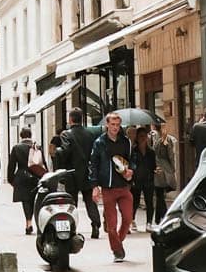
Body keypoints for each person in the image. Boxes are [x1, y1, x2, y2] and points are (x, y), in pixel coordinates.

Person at [89, 111, 136, 262]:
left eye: (117, 125)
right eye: (112, 124)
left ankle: (118, 243)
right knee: (112, 223)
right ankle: (117, 251)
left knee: (128, 218)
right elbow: (93, 165)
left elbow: (132, 159)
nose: (115, 127)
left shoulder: (126, 142)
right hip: (108, 188)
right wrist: (95, 186)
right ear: (107, 125)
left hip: (124, 186)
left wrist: (131, 170)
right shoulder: (99, 143)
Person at [52, 110, 101, 239]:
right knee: (90, 202)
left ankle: (72, 227)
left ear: (70, 119)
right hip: (87, 173)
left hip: (72, 173)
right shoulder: (90, 133)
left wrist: (56, 151)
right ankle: (95, 224)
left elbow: (65, 151)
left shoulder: (66, 134)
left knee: (72, 203)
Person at [7, 125, 40, 236]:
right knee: (35, 200)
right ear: (30, 135)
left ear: (21, 136)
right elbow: (42, 162)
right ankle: (39, 224)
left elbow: (11, 165)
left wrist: (11, 179)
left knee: (26, 201)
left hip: (22, 177)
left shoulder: (16, 148)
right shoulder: (36, 147)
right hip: (36, 176)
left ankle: (28, 224)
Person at [153, 115, 178, 222]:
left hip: (157, 167)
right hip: (164, 167)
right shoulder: (167, 139)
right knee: (160, 194)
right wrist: (173, 168)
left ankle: (160, 217)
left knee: (159, 193)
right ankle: (161, 217)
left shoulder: (153, 137)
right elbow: (171, 156)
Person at [132, 125, 157, 230]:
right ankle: (132, 220)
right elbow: (131, 164)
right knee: (135, 202)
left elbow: (154, 165)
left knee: (149, 202)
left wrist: (156, 170)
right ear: (137, 138)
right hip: (136, 179)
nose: (143, 138)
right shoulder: (133, 151)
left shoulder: (151, 152)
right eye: (140, 136)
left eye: (144, 136)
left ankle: (149, 223)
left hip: (148, 179)